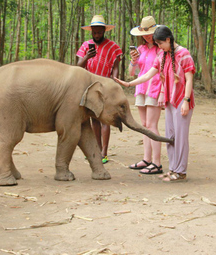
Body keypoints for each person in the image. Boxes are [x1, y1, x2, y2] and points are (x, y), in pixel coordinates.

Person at [115, 25, 195, 182]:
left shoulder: (184, 55)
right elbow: (147, 75)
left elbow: (189, 79)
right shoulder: (163, 55)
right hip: (170, 101)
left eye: (160, 44)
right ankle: (173, 168)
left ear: (168, 39)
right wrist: (129, 84)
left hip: (181, 100)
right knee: (171, 136)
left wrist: (186, 100)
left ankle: (181, 171)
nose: (159, 47)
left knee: (180, 136)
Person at [77, 15, 123, 164]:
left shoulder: (113, 47)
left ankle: (104, 152)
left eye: (99, 32)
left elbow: (116, 66)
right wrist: (87, 57)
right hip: (89, 86)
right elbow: (78, 67)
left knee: (105, 120)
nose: (97, 35)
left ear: (104, 31)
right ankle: (96, 148)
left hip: (105, 85)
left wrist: (114, 81)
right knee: (93, 119)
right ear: (91, 31)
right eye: (94, 32)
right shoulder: (85, 46)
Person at [127, 16, 164, 175]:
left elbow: (164, 72)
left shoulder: (161, 49)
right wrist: (133, 61)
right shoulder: (141, 49)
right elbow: (131, 73)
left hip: (155, 88)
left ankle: (157, 162)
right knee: (144, 125)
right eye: (144, 33)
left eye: (150, 33)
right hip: (141, 88)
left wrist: (163, 91)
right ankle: (146, 159)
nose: (147, 36)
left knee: (152, 125)